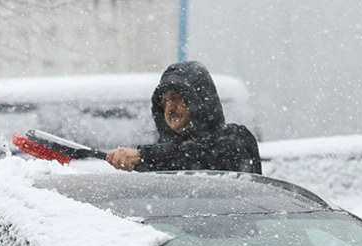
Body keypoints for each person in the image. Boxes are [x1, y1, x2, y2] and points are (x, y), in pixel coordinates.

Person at [106, 61, 261, 174]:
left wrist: (142, 156)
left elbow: (199, 155)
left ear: (200, 100)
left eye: (176, 98)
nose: (169, 108)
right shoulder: (166, 153)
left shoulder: (234, 140)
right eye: (164, 102)